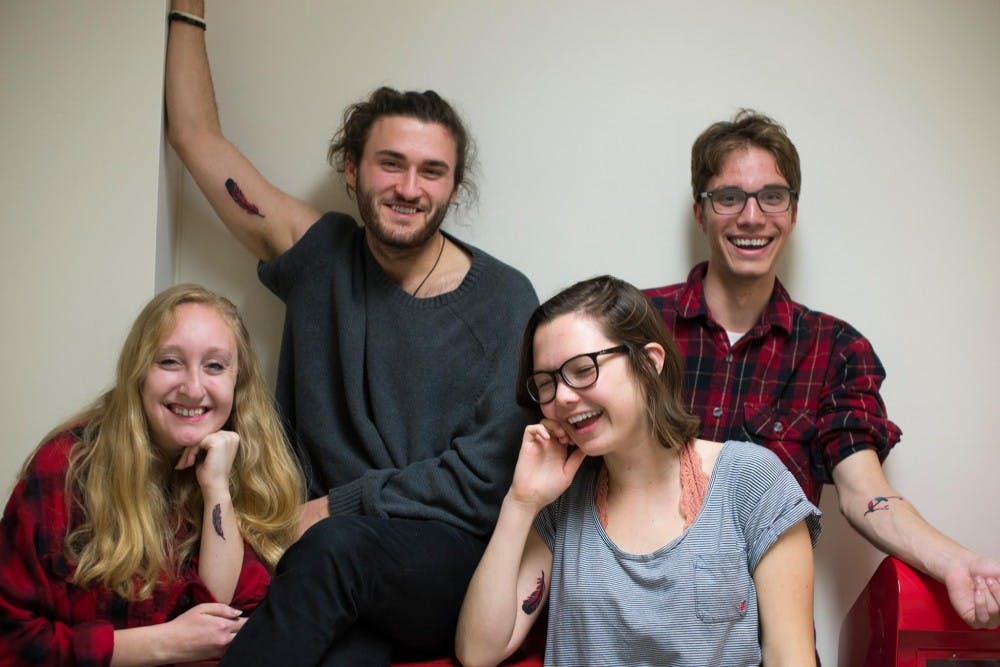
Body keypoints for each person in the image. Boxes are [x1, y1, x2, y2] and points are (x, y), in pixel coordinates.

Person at [164, 2, 538, 663]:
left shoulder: (504, 299)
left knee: (335, 549)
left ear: (454, 187)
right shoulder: (319, 257)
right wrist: (186, 10)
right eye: (390, 163)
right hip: (331, 568)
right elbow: (196, 136)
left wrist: (342, 506)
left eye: (432, 171)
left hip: (445, 560)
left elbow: (485, 481)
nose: (409, 188)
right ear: (351, 168)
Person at [643, 109, 1000, 630]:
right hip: (633, 626)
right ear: (701, 213)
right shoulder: (634, 326)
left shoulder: (836, 350)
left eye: (772, 196)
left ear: (792, 213)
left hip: (769, 641)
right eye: (729, 197)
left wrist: (956, 562)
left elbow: (865, 492)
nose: (751, 217)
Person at [455, 275, 822, 667]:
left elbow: (790, 656)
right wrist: (521, 501)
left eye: (582, 369)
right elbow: (478, 652)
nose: (562, 397)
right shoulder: (561, 500)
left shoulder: (752, 480)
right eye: (547, 383)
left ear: (649, 362)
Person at [0, 284, 304, 665]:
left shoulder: (246, 468)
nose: (193, 388)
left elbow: (220, 618)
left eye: (214, 366)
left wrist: (216, 489)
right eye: (170, 362)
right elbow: (11, 640)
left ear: (238, 381)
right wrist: (164, 643)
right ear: (139, 372)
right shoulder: (64, 469)